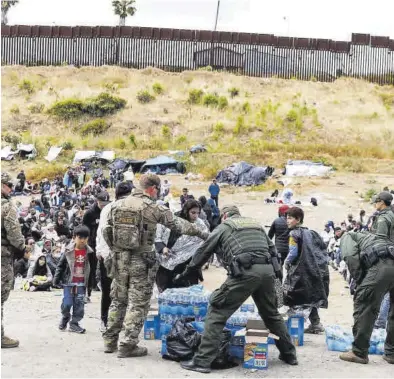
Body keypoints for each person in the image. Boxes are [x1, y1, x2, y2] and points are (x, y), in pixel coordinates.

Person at [176, 205, 297, 373]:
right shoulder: (256, 225)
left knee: (217, 310)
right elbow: (273, 251)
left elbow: (204, 250)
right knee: (271, 314)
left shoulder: (224, 226)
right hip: (268, 272)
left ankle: (202, 361)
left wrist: (188, 270)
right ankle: (289, 354)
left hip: (245, 273)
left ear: (224, 216)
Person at [101, 174, 209, 358]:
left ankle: (110, 341)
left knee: (118, 300)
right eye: (158, 189)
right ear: (153, 188)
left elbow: (106, 231)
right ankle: (127, 344)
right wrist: (202, 233)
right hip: (141, 261)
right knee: (138, 302)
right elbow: (178, 225)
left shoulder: (116, 205)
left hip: (118, 259)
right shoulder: (152, 208)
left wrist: (116, 250)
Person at [339, 231, 394, 364]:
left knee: (365, 305)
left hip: (382, 266)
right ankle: (392, 353)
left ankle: (359, 352)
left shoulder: (347, 236)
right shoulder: (375, 238)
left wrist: (360, 279)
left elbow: (350, 256)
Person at [284, 207, 329, 334]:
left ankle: (292, 326)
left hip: (299, 272)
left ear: (298, 219)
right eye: (287, 218)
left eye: (290, 218)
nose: (287, 221)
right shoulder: (311, 233)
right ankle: (316, 324)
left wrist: (286, 263)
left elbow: (293, 253)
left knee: (293, 297)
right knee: (310, 298)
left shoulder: (293, 234)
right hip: (313, 271)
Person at [96, 183, 132, 333]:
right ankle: (106, 320)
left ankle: (115, 320)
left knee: (118, 291)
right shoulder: (110, 209)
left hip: (115, 256)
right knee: (110, 290)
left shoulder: (109, 209)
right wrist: (102, 253)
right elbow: (102, 232)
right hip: (111, 257)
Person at [155, 199, 208, 292]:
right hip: (166, 261)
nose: (196, 216)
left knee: (187, 293)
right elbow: (157, 236)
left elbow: (205, 241)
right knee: (166, 292)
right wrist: (163, 248)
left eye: (198, 213)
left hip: (187, 266)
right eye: (193, 212)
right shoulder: (172, 219)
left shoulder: (200, 224)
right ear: (186, 211)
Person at [53, 225, 93, 334]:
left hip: (81, 283)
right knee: (67, 303)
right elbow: (60, 266)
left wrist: (90, 285)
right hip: (69, 282)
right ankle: (65, 316)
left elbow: (92, 270)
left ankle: (74, 323)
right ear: (74, 237)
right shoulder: (68, 251)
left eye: (85, 238)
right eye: (80, 238)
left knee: (79, 304)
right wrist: (56, 279)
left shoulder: (89, 253)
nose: (82, 240)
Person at [1, 172, 26, 348]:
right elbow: (14, 234)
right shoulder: (6, 207)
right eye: (9, 185)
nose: (11, 188)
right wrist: (23, 248)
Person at [83, 191, 110, 302]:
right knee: (90, 269)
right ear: (97, 201)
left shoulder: (109, 211)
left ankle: (106, 293)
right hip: (92, 244)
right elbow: (84, 229)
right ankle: (87, 293)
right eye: (102, 204)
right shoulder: (89, 213)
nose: (104, 206)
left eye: (106, 203)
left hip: (105, 244)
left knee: (106, 269)